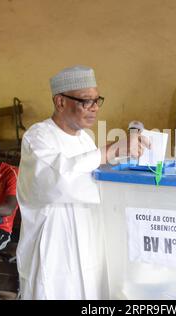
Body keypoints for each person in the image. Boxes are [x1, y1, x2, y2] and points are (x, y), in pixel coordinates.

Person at [16, 65, 149, 300]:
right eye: (86, 101)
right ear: (60, 102)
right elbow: (58, 183)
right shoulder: (38, 137)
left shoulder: (86, 140)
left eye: (97, 100)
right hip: (54, 248)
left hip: (88, 242)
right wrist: (109, 150)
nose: (95, 108)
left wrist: (123, 157)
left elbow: (93, 176)